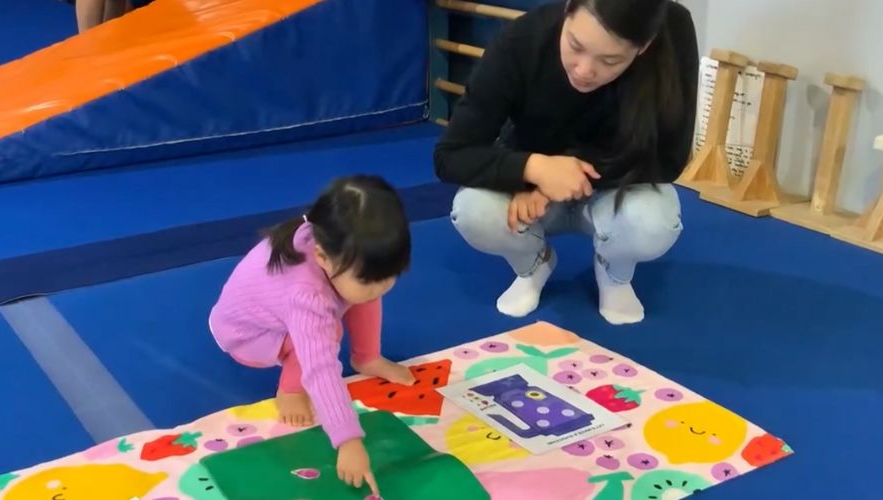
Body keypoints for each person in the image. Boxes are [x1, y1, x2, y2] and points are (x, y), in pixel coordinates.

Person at [434, 0, 699, 325]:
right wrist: (531, 171)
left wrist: (563, 177)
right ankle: (534, 264)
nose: (585, 70)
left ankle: (614, 271)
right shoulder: (522, 40)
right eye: (575, 45)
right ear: (567, 11)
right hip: (532, 191)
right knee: (472, 210)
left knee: (652, 224)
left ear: (643, 47)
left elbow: (669, 158)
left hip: (617, 185)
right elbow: (451, 155)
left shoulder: (673, 30)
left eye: (610, 60)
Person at [209, 175, 416, 495]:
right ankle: (289, 390)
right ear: (321, 257)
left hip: (289, 309)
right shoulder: (307, 296)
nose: (385, 285)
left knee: (363, 294)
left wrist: (367, 289)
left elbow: (367, 283)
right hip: (248, 336)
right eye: (372, 277)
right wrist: (348, 441)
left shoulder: (337, 246)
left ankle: (367, 358)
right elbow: (320, 367)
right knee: (326, 332)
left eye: (391, 275)